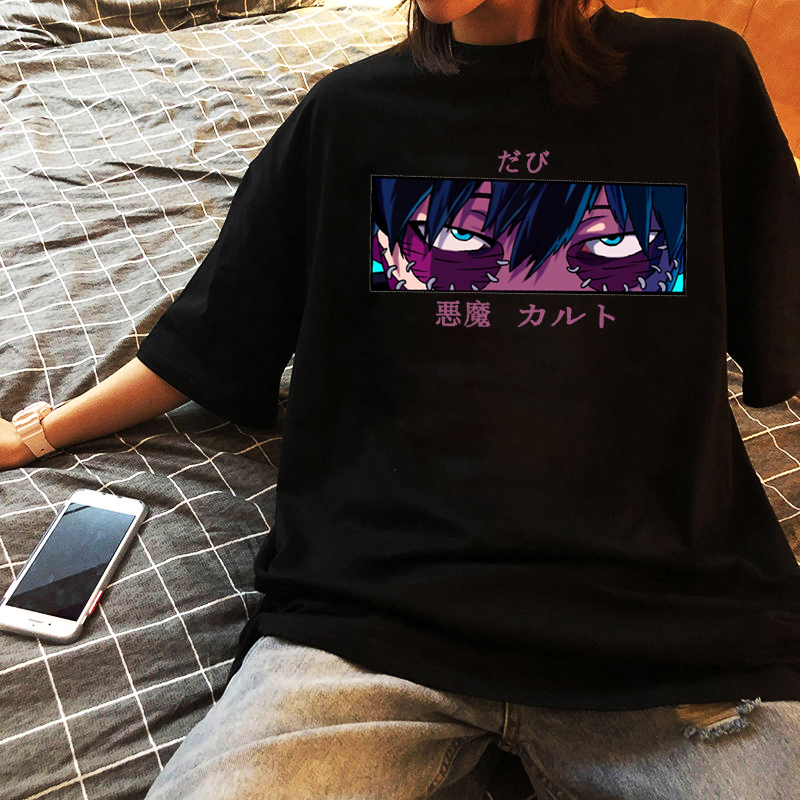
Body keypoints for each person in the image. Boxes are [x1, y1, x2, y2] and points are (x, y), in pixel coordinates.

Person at [2, 0, 800, 797]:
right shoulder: (348, 113)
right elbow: (214, 334)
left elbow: (781, 316)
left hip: (671, 634)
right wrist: (42, 433)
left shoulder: (700, 78)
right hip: (369, 625)